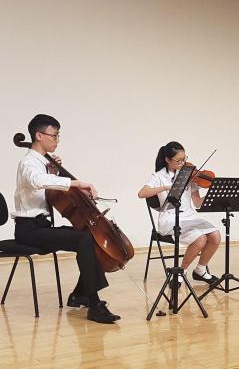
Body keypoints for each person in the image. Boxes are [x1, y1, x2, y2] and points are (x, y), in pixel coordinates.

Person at [12, 114, 120, 324]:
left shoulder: (43, 163)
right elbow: (37, 180)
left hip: (41, 226)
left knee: (89, 236)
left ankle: (81, 294)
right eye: (54, 135)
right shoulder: (28, 163)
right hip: (28, 230)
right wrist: (75, 183)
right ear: (39, 135)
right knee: (83, 240)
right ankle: (94, 304)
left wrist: (52, 170)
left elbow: (49, 188)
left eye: (58, 136)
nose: (57, 140)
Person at [138, 142, 221, 285]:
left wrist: (213, 193)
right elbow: (142, 193)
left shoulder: (189, 175)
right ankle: (180, 273)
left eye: (184, 159)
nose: (184, 163)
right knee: (200, 239)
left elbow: (197, 203)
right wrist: (165, 187)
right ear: (168, 160)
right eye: (179, 160)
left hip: (190, 217)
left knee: (215, 235)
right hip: (170, 219)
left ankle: (200, 271)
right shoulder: (159, 176)